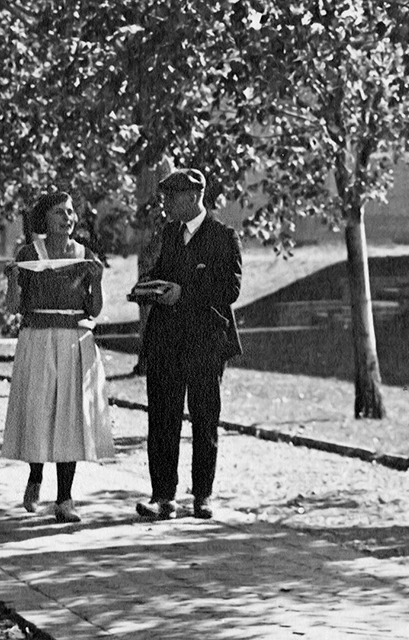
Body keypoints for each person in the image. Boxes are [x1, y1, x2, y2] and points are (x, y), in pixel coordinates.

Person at [134, 168, 242, 520]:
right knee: (162, 418)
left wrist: (184, 293)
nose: (165, 203)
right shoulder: (167, 234)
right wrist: (148, 289)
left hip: (205, 341)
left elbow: (230, 290)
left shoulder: (223, 236)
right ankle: (163, 496)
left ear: (195, 195)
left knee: (204, 418)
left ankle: (203, 495)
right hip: (166, 339)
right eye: (164, 195)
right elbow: (161, 274)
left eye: (173, 195)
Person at [2, 191, 114, 523]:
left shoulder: (85, 255)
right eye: (58, 212)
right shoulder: (28, 253)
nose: (67, 218)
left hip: (74, 341)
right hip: (37, 339)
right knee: (39, 410)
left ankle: (64, 499)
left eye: (70, 212)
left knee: (71, 416)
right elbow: (13, 307)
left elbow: (93, 309)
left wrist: (98, 281)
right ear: (44, 219)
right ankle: (35, 475)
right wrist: (12, 281)